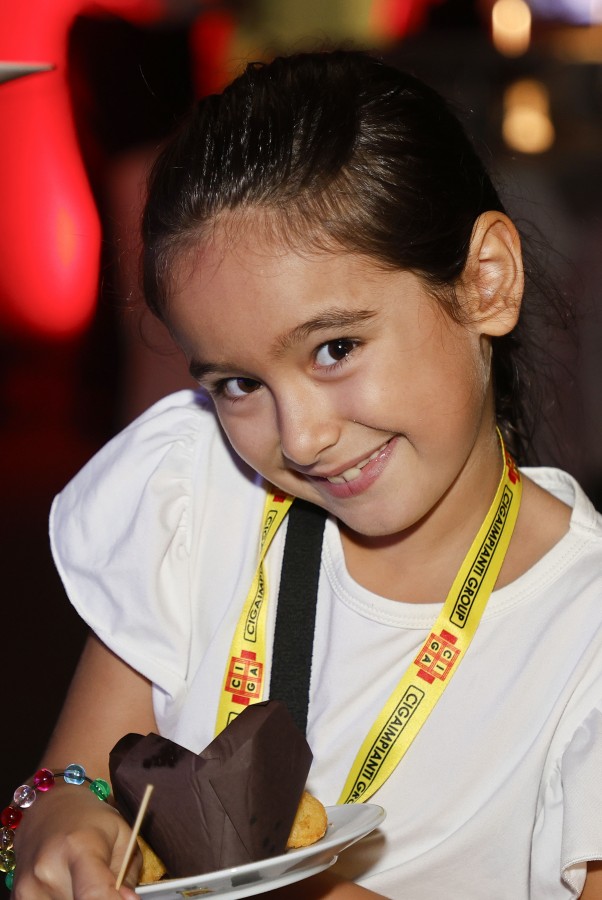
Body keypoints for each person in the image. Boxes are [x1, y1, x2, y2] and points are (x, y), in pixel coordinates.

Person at [8, 49, 602, 899]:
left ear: (486, 282)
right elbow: (70, 778)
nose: (303, 437)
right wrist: (59, 821)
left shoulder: (583, 634)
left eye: (335, 348)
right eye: (238, 384)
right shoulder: (197, 490)